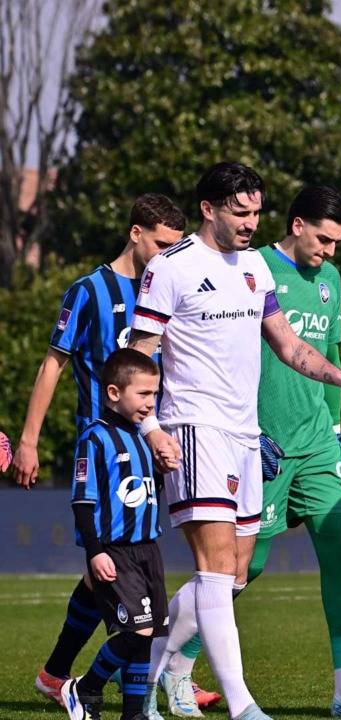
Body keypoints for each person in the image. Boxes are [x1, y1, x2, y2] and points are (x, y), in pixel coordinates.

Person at [127, 162, 341, 720]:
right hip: (194, 428)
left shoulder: (255, 269)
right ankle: (243, 706)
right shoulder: (170, 268)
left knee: (234, 572)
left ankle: (140, 678)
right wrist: (150, 426)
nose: (251, 223)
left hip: (244, 436)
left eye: (257, 212)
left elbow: (288, 345)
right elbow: (140, 353)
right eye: (240, 212)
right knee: (215, 570)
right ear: (209, 210)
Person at [9, 195, 207, 709]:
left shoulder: (167, 287)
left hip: (156, 446)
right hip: (102, 456)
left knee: (125, 567)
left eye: (174, 247)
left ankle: (116, 671)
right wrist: (28, 440)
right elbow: (53, 363)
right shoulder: (89, 291)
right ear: (135, 233)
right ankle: (116, 673)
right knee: (113, 564)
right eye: (161, 244)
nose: (167, 256)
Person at [60, 349, 167, 720]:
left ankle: (133, 713)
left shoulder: (141, 437)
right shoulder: (96, 438)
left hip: (148, 549)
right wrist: (95, 551)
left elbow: (146, 495)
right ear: (114, 393)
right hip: (116, 551)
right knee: (137, 631)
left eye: (154, 394)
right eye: (143, 394)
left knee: (148, 634)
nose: (150, 403)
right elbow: (82, 501)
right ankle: (86, 686)